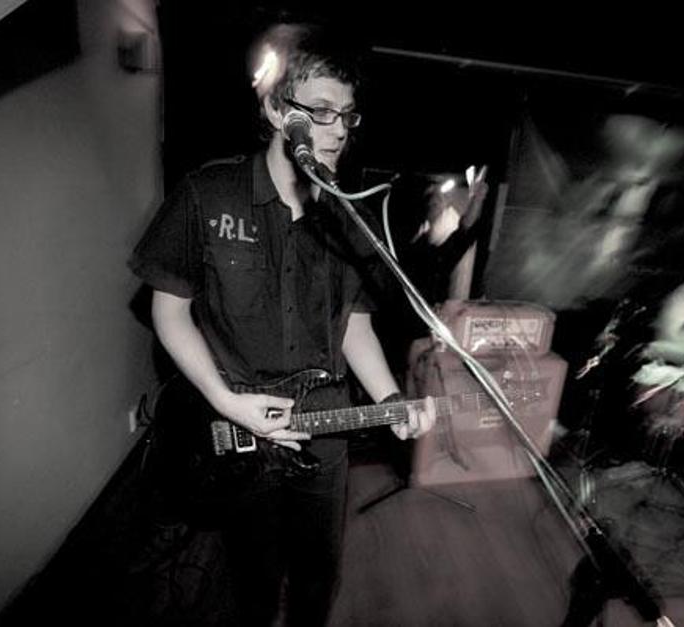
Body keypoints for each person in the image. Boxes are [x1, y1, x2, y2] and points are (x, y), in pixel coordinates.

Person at [128, 22, 436, 627]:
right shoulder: (208, 194)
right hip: (242, 423)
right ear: (275, 109)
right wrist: (225, 401)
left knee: (319, 574)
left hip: (326, 430)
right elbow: (168, 311)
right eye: (319, 111)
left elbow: (354, 329)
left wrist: (390, 399)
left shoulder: (351, 215)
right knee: (255, 576)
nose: (337, 131)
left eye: (346, 116)